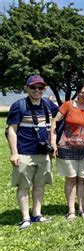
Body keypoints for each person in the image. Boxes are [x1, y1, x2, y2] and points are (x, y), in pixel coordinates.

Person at [6, 75, 59, 229]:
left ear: (45, 89)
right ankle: (25, 218)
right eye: (33, 87)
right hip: (24, 153)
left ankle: (37, 214)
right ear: (27, 88)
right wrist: (14, 152)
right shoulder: (19, 106)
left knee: (39, 186)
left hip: (43, 154)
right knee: (23, 186)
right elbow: (12, 130)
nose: (37, 90)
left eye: (40, 87)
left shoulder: (48, 104)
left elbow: (60, 116)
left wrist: (53, 143)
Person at [50, 82, 84, 220]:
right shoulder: (68, 105)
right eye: (83, 92)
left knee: (82, 180)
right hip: (67, 148)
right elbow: (55, 122)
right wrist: (53, 142)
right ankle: (71, 211)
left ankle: (82, 209)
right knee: (70, 179)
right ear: (78, 92)